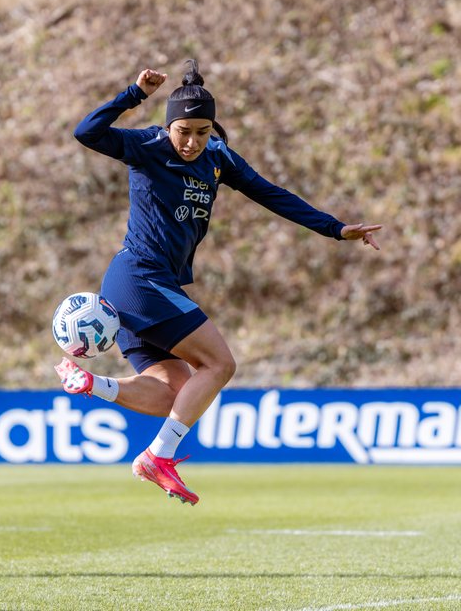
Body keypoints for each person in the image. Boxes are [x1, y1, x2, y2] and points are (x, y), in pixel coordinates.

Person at [55, 60, 381, 506]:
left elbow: (272, 194)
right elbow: (86, 132)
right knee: (220, 365)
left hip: (144, 285)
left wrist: (334, 228)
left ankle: (95, 386)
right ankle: (158, 455)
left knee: (175, 391)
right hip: (139, 279)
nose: (191, 142)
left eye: (202, 132)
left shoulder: (218, 157)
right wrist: (134, 93)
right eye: (183, 130)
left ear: (213, 129)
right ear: (169, 125)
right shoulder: (147, 145)